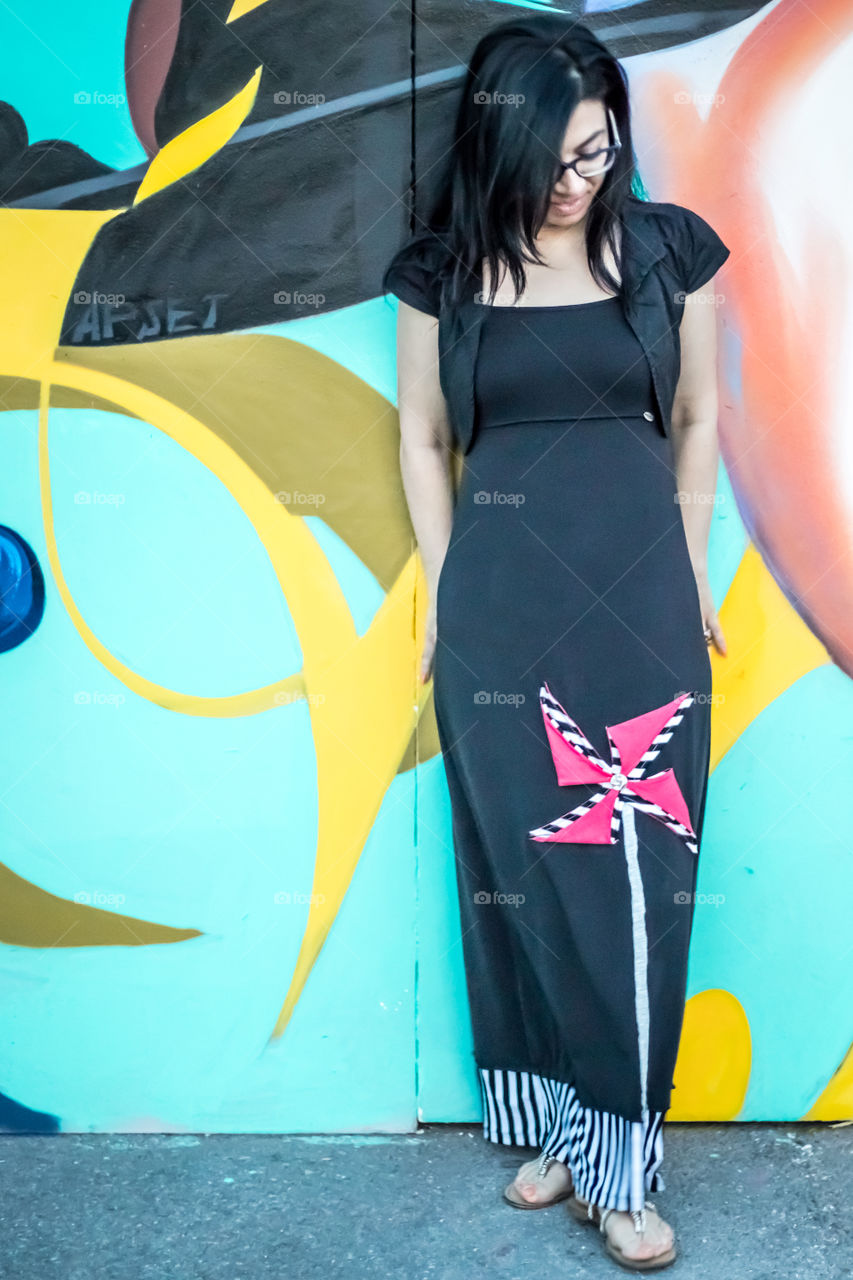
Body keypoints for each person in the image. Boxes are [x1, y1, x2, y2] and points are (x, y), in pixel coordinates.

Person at [383, 14, 730, 1272]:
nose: (585, 179)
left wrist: (688, 568)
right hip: (499, 603)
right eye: (562, 157)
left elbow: (693, 417)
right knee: (520, 868)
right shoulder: (444, 273)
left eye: (601, 151)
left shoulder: (666, 249)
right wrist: (439, 585)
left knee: (629, 869)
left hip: (637, 592)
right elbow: (425, 437)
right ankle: (565, 1124)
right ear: (504, 145)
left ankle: (622, 1166)